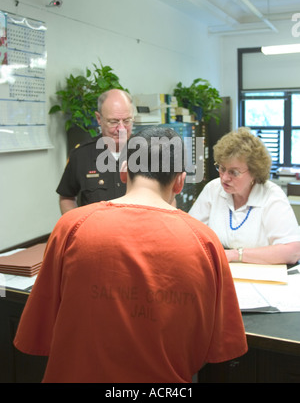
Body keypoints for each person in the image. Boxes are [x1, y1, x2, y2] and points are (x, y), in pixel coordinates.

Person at [14, 126, 247, 383]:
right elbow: (217, 348)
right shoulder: (204, 241)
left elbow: (39, 330)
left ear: (124, 171)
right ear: (180, 181)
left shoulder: (71, 226)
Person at [189, 127, 300, 265]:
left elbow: (292, 251)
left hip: (260, 277)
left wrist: (236, 254)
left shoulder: (272, 196)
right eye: (222, 168)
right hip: (221, 273)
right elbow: (189, 233)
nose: (224, 178)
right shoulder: (213, 189)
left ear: (254, 172)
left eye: (233, 172)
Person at [56, 88, 135, 214]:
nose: (121, 129)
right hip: (96, 232)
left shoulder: (148, 152)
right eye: (113, 122)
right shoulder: (81, 155)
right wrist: (77, 227)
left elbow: (168, 198)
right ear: (99, 119)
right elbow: (67, 197)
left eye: (127, 121)